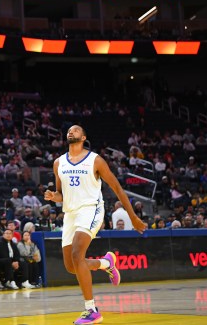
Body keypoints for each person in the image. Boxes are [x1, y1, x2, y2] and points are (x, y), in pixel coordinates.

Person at [45, 125, 145, 325]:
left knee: (77, 255)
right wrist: (53, 197)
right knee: (72, 267)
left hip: (91, 209)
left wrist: (133, 216)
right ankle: (106, 263)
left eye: (75, 130)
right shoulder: (58, 163)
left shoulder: (95, 160)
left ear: (83, 137)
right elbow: (61, 195)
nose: (71, 131)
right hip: (71, 213)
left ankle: (91, 310)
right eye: (69, 130)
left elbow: (116, 187)